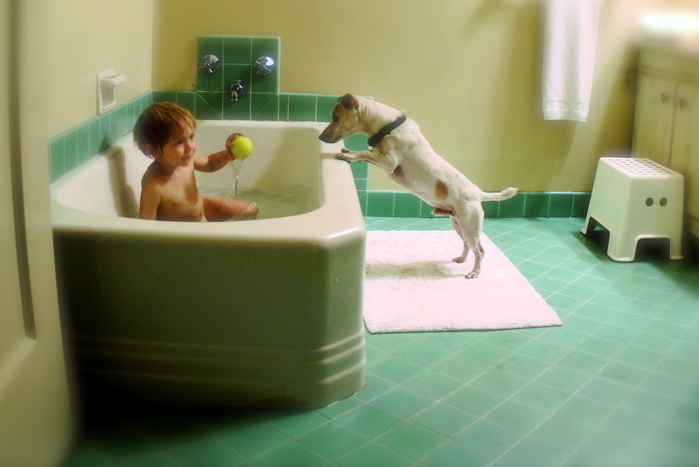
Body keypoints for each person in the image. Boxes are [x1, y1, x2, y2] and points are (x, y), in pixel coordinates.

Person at [133, 102, 258, 222]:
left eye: (191, 137)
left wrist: (227, 155)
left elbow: (210, 163)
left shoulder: (185, 160)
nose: (190, 147)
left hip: (200, 208)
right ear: (154, 150)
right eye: (179, 142)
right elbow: (146, 224)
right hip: (188, 230)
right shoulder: (154, 185)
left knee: (250, 210)